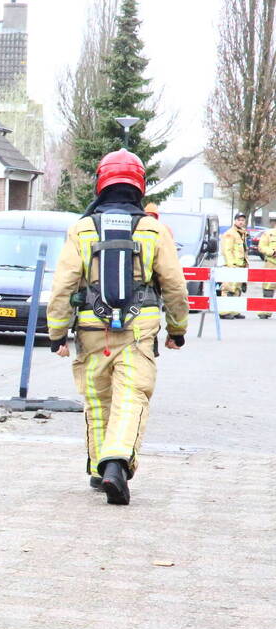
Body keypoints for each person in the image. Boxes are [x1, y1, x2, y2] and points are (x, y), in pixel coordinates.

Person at [46, 149, 189, 505]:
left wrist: (57, 334)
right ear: (139, 184)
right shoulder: (154, 229)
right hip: (138, 331)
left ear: (101, 182)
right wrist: (177, 329)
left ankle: (100, 468)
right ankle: (116, 463)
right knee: (131, 395)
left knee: (98, 400)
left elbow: (63, 285)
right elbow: (174, 285)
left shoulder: (81, 229)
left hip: (91, 332)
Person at [219, 213, 249, 319]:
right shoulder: (230, 233)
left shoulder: (242, 233)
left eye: (243, 220)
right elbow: (227, 250)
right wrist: (231, 265)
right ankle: (224, 312)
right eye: (239, 220)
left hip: (240, 266)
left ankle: (234, 311)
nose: (241, 222)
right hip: (233, 266)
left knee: (237, 289)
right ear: (235, 221)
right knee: (228, 289)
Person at [258, 225, 276, 319]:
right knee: (268, 288)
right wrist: (272, 252)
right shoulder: (268, 233)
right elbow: (261, 247)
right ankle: (266, 311)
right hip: (271, 264)